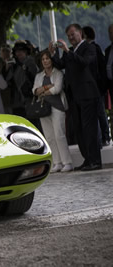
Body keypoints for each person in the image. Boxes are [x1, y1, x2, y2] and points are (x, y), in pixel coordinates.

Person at [49, 23, 102, 171]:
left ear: (80, 33)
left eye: (73, 34)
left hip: (88, 94)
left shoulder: (89, 48)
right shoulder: (70, 51)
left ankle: (95, 160)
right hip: (74, 96)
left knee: (89, 128)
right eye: (68, 36)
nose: (71, 38)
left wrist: (67, 50)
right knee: (79, 129)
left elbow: (84, 63)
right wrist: (53, 54)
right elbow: (60, 65)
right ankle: (87, 158)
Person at [33, 51, 73, 173]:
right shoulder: (39, 76)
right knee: (49, 137)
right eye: (43, 59)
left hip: (57, 106)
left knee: (59, 134)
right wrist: (48, 86)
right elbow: (34, 90)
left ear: (51, 60)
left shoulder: (58, 73)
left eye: (47, 58)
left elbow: (57, 89)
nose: (45, 61)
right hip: (43, 108)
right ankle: (57, 162)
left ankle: (67, 162)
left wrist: (43, 91)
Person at [83, 26, 111, 147]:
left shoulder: (93, 48)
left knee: (100, 112)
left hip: (97, 87)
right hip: (96, 87)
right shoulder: (95, 48)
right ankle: (104, 136)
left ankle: (105, 136)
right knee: (99, 113)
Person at [5, 41, 41, 130]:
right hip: (17, 101)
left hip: (29, 97)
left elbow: (35, 76)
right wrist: (7, 68)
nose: (19, 53)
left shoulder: (30, 62)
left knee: (32, 124)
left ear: (26, 51)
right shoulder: (14, 64)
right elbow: (8, 80)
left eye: (21, 51)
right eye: (17, 51)